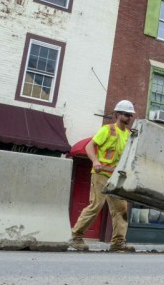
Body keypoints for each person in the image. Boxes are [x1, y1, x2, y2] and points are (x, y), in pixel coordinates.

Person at [69, 100, 136, 252]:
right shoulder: (108, 130)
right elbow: (89, 146)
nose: (129, 117)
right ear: (118, 115)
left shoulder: (128, 135)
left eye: (130, 115)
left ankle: (118, 243)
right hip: (101, 174)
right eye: (126, 114)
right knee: (96, 205)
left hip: (117, 178)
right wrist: (95, 161)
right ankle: (76, 237)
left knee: (121, 209)